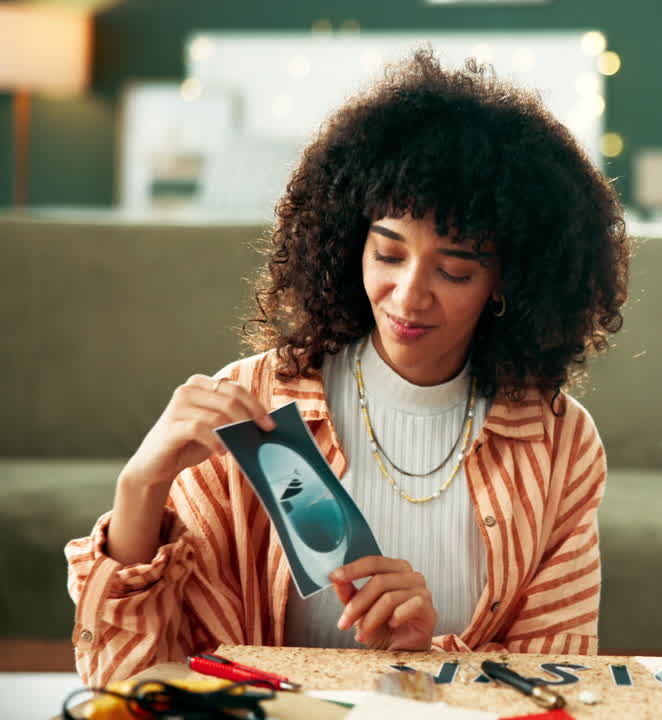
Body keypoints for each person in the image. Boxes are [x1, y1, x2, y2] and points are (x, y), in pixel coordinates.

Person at [65, 49, 629, 685]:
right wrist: (140, 487)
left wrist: (424, 662)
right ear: (346, 241)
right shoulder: (248, 402)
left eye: (454, 270)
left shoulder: (559, 444)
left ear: (509, 279)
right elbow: (127, 683)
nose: (410, 296)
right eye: (388, 254)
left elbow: (557, 689)